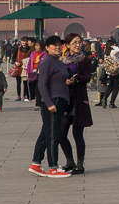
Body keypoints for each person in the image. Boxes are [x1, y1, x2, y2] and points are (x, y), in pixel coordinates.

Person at [29, 36, 72, 177]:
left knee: (46, 133)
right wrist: (49, 104)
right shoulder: (47, 62)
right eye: (54, 45)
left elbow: (58, 78)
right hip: (54, 102)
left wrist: (68, 80)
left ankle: (36, 163)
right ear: (47, 48)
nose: (58, 47)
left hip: (60, 100)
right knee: (53, 135)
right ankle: (53, 167)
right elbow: (42, 84)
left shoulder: (58, 61)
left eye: (60, 45)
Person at [58, 34, 94, 174]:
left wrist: (76, 78)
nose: (78, 45)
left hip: (79, 100)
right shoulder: (62, 60)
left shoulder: (84, 60)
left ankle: (80, 164)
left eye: (79, 42)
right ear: (67, 45)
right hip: (66, 100)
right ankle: (70, 162)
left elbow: (87, 77)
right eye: (74, 43)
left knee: (77, 134)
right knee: (61, 133)